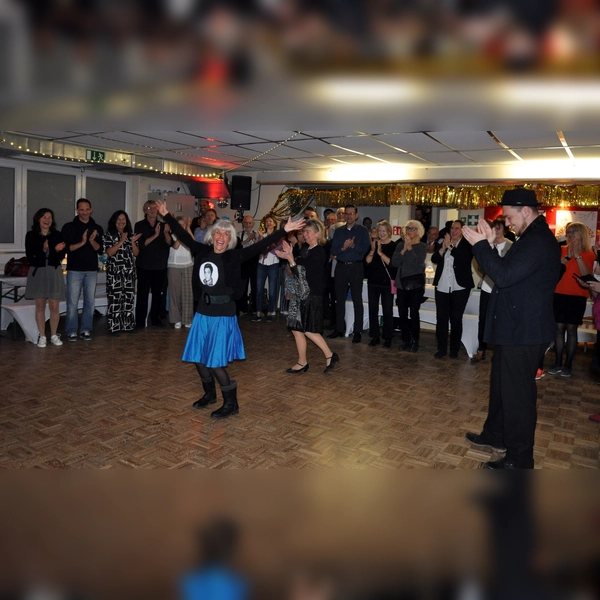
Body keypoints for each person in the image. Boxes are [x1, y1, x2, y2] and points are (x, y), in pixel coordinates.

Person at [156, 198, 305, 419]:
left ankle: (231, 402)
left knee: (215, 363)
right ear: (212, 236)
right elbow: (184, 235)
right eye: (218, 233)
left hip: (222, 315)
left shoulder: (235, 256)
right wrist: (167, 214)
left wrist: (283, 230)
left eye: (226, 234)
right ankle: (210, 394)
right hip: (203, 314)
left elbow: (260, 246)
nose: (221, 237)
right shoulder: (202, 251)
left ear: (230, 239)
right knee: (198, 358)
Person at [462, 188, 561, 469]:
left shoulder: (538, 241)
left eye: (509, 217)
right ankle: (496, 434)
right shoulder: (530, 237)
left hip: (525, 331)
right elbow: (508, 270)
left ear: (526, 211)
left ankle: (519, 458)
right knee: (502, 388)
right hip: (516, 328)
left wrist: (481, 246)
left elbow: (503, 277)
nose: (507, 223)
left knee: (518, 396)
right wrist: (491, 245)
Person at [275, 219, 339, 374]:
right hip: (299, 293)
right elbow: (295, 270)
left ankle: (330, 355)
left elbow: (302, 273)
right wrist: (289, 255)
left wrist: (290, 259)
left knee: (308, 329)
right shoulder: (305, 248)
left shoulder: (319, 251)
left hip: (310, 293)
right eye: (304, 232)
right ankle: (302, 362)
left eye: (308, 231)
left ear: (317, 233)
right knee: (296, 328)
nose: (305, 234)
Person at [547, 221, 595, 378]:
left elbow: (585, 274)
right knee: (558, 329)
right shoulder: (561, 250)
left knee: (571, 329)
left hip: (577, 296)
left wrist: (578, 255)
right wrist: (568, 256)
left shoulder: (589, 254)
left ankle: (568, 364)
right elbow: (555, 270)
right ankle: (558, 362)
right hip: (558, 294)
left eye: (574, 232)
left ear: (582, 234)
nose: (570, 235)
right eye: (568, 232)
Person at [61, 198, 104, 341]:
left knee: (90, 301)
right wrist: (83, 242)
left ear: (91, 210)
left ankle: (86, 329)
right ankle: (71, 331)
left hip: (91, 270)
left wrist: (91, 241)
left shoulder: (97, 228)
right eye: (81, 209)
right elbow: (68, 249)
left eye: (87, 209)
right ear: (77, 210)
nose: (84, 212)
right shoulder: (69, 227)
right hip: (74, 270)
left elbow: (100, 250)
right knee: (72, 301)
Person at [471, 218, 512, 363]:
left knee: (500, 321)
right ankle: (481, 349)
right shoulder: (487, 246)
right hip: (486, 287)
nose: (495, 231)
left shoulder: (511, 246)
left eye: (498, 228)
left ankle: (498, 351)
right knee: (483, 320)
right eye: (493, 228)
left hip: (501, 290)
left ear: (504, 230)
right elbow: (480, 266)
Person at [431, 220, 474, 359]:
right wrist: (443, 247)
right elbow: (435, 258)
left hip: (460, 287)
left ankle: (454, 350)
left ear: (462, 230)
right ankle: (441, 349)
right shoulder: (443, 242)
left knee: (456, 318)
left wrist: (451, 247)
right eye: (452, 228)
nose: (453, 230)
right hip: (443, 286)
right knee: (441, 318)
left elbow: (464, 259)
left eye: (456, 228)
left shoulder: (467, 244)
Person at [24, 208, 67, 347]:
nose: (47, 220)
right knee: (40, 306)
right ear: (38, 219)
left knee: (54, 306)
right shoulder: (31, 235)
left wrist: (55, 251)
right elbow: (31, 258)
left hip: (54, 272)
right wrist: (44, 249)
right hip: (38, 273)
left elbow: (60, 257)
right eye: (44, 217)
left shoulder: (57, 235)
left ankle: (54, 334)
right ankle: (42, 336)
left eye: (49, 217)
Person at [328, 205, 370, 343]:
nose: (349, 216)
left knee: (357, 299)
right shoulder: (339, 231)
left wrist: (353, 246)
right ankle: (339, 328)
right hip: (341, 267)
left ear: (356, 215)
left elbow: (364, 250)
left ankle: (357, 331)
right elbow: (334, 251)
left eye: (352, 213)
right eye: (347, 214)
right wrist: (343, 247)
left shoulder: (363, 231)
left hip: (356, 267)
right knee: (339, 299)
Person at [134, 200, 172, 329]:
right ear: (145, 210)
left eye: (155, 208)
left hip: (159, 266)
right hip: (144, 266)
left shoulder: (163, 225)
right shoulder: (139, 225)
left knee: (158, 295)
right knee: (142, 295)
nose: (153, 210)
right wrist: (156, 234)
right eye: (150, 208)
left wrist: (166, 233)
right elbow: (142, 244)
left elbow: (169, 243)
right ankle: (140, 321)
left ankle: (155, 319)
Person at [103, 210, 141, 335]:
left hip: (129, 273)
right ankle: (115, 327)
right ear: (114, 221)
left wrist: (131, 241)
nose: (121, 222)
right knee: (115, 300)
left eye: (123, 219)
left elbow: (136, 253)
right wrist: (121, 241)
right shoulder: (109, 235)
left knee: (128, 299)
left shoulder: (131, 236)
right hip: (115, 273)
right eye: (118, 219)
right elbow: (109, 252)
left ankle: (128, 325)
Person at [392, 219, 426, 352]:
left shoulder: (422, 247)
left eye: (413, 229)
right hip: (401, 285)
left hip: (415, 286)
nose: (409, 231)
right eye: (408, 229)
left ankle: (415, 341)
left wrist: (410, 249)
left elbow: (417, 264)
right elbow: (394, 263)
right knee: (402, 314)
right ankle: (405, 340)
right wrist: (403, 250)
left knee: (413, 313)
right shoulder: (400, 245)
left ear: (419, 232)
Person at [365, 220, 397, 348]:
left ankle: (388, 337)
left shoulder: (394, 246)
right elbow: (367, 262)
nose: (382, 233)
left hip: (386, 283)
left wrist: (380, 253)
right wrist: (373, 251)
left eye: (384, 231)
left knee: (387, 310)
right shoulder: (374, 244)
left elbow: (392, 263)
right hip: (373, 282)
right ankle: (375, 335)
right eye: (379, 231)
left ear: (389, 232)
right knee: (373, 309)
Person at [253, 214, 281, 323]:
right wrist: (261, 238)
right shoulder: (261, 235)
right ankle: (258, 313)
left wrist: (266, 239)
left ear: (274, 224)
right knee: (259, 290)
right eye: (267, 221)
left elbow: (276, 250)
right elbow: (258, 249)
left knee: (272, 290)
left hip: (273, 264)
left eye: (270, 221)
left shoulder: (278, 236)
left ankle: (269, 313)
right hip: (261, 264)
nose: (268, 223)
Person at [167, 216, 194, 329]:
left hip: (188, 265)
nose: (181, 226)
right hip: (174, 266)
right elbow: (175, 246)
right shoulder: (172, 235)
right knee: (175, 293)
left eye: (183, 224)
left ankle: (187, 319)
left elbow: (194, 243)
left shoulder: (187, 235)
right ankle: (176, 319)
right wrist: (180, 234)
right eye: (179, 225)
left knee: (188, 293)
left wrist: (187, 229)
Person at [237, 215, 259, 317]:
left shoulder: (257, 235)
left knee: (255, 287)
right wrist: (247, 240)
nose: (248, 225)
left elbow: (260, 248)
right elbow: (237, 247)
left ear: (253, 224)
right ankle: (242, 309)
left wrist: (254, 240)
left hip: (254, 263)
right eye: (246, 222)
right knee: (242, 287)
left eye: (250, 223)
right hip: (243, 263)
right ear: (243, 224)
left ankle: (255, 309)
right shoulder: (238, 234)